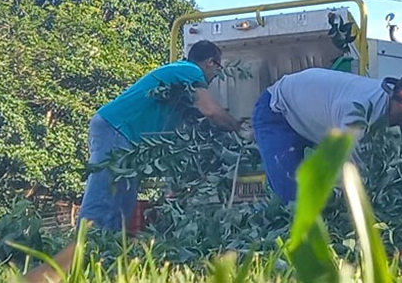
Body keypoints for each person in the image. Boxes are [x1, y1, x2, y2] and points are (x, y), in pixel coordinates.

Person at [24, 40, 246, 283]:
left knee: (123, 204)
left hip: (128, 139)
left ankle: (103, 259)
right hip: (116, 129)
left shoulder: (179, 80)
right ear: (210, 63)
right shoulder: (190, 70)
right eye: (218, 68)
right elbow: (210, 110)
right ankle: (71, 264)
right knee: (105, 196)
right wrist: (239, 129)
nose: (216, 76)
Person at [252, 65, 402, 203]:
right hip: (278, 112)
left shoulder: (392, 108)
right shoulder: (359, 113)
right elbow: (356, 177)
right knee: (292, 198)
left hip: (313, 117)